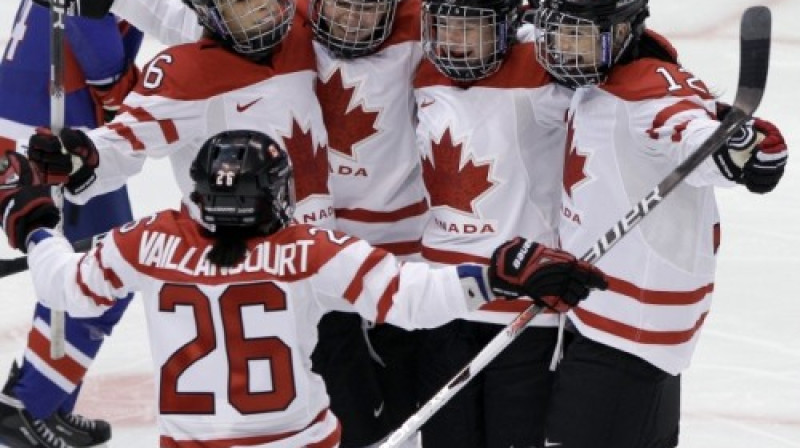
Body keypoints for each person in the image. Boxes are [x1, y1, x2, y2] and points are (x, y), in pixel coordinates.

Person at [0, 129, 608, 447]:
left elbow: (65, 287)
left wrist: (33, 226)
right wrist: (497, 277)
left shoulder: (149, 242)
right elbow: (411, 299)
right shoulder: (308, 251)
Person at [531, 1, 788, 447]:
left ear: (624, 31)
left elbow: (683, 127)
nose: (563, 50)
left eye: (579, 35)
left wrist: (730, 147)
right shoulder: (605, 73)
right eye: (557, 34)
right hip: (608, 312)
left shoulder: (648, 93)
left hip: (631, 326)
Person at [412, 0, 573, 445]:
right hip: (443, 298)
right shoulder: (424, 73)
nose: (454, 41)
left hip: (522, 303)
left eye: (471, 28)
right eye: (446, 27)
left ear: (504, 28)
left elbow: (612, 82)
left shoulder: (539, 70)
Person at [0, 1, 142, 445]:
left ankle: (50, 402)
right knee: (108, 268)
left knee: (96, 263)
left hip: (45, 114)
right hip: (50, 132)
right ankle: (28, 407)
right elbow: (87, 21)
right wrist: (123, 94)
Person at [302, 0, 429, 445]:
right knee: (347, 413)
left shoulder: (424, 26)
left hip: (402, 250)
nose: (353, 20)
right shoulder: (283, 29)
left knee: (407, 406)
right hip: (319, 254)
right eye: (342, 5)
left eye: (368, 7)